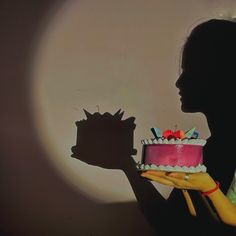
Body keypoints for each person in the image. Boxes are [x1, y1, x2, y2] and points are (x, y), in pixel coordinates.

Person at [140, 18, 236, 234]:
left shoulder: (222, 151)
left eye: (190, 70)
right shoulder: (214, 149)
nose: (179, 82)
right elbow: (175, 225)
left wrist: (205, 187)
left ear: (221, 74)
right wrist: (124, 164)